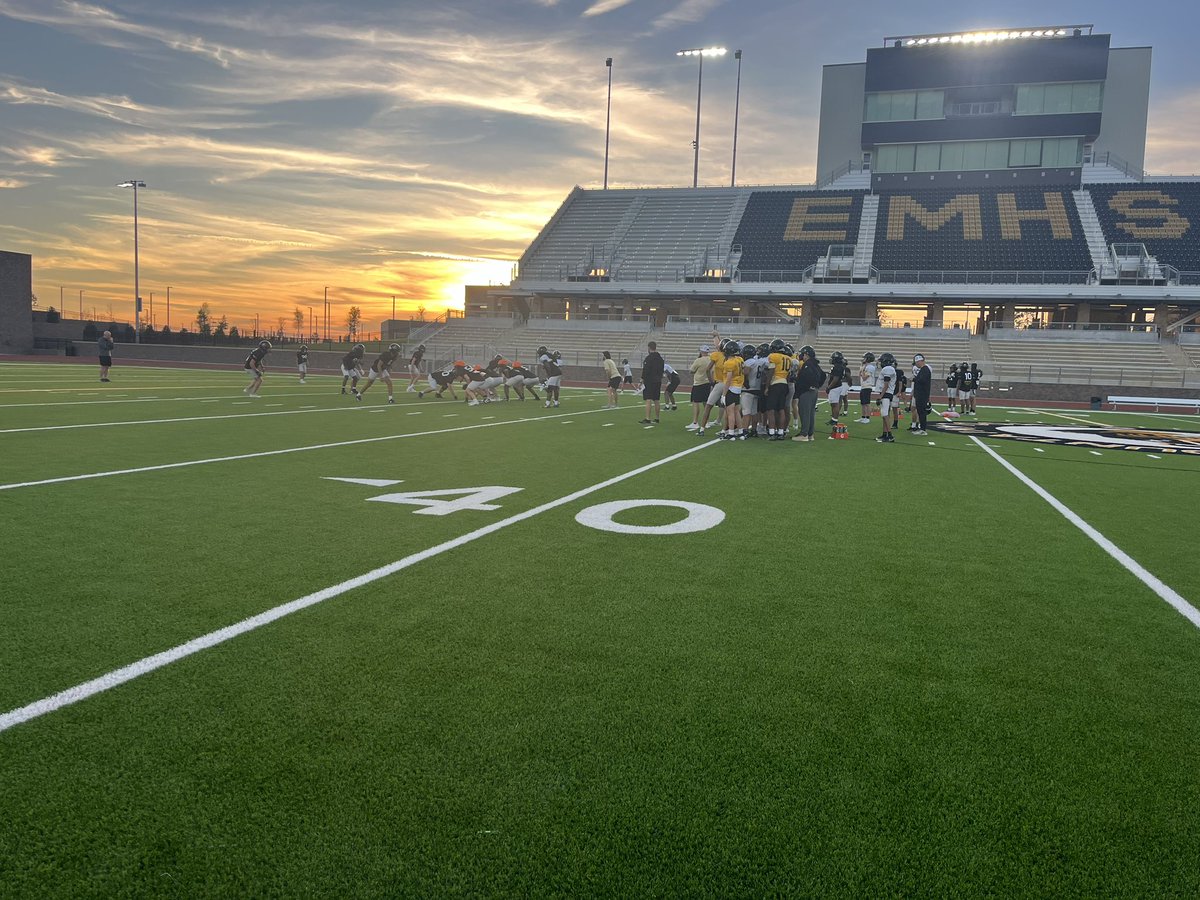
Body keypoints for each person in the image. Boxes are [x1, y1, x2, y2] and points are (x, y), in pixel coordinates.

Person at [792, 345, 823, 442]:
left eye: (803, 354)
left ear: (807, 355)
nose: (802, 355)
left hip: (807, 391)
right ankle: (810, 434)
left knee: (804, 412)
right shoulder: (815, 364)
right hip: (813, 391)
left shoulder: (807, 364)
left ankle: (804, 434)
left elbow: (805, 378)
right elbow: (823, 375)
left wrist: (805, 385)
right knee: (810, 413)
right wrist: (817, 385)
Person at [764, 339, 792, 441]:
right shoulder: (789, 358)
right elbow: (788, 375)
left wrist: (767, 387)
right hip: (784, 384)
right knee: (781, 410)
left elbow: (771, 372)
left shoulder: (774, 357)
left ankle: (772, 433)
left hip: (776, 383)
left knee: (771, 410)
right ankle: (781, 432)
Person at [686, 345, 711, 431]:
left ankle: (695, 422)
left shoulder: (698, 360)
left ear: (701, 351)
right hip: (707, 382)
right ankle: (706, 422)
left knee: (696, 402)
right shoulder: (711, 359)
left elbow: (691, 371)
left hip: (698, 383)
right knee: (706, 403)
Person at [640, 341, 665, 424]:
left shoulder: (649, 358)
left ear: (649, 348)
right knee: (656, 399)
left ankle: (647, 418)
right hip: (658, 380)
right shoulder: (660, 358)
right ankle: (657, 418)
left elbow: (646, 370)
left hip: (650, 380)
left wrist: (642, 379)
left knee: (648, 399)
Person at [875, 352, 897, 443]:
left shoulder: (888, 369)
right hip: (886, 393)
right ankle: (885, 434)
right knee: (884, 414)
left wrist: (880, 396)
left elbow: (886, 384)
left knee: (885, 414)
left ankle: (890, 435)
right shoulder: (889, 368)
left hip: (886, 393)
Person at [826, 351, 850, 424]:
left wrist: (829, 387)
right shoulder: (839, 367)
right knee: (834, 404)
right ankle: (833, 419)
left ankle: (834, 420)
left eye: (833, 358)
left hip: (835, 387)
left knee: (835, 404)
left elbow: (835, 379)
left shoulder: (837, 367)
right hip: (837, 386)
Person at [911, 354, 932, 435]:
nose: (916, 364)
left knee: (921, 412)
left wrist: (915, 379)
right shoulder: (923, 370)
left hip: (922, 394)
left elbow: (922, 381)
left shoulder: (925, 370)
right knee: (920, 412)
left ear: (920, 361)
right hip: (920, 394)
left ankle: (923, 429)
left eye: (916, 362)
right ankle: (922, 428)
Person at [856, 352, 876, 424]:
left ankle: (867, 417)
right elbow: (860, 375)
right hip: (863, 386)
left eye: (864, 358)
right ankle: (863, 417)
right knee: (863, 403)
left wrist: (862, 371)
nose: (863, 359)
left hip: (867, 386)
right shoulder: (864, 366)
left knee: (867, 403)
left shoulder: (870, 367)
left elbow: (864, 377)